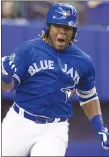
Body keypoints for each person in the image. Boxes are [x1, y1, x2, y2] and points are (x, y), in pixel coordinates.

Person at [2, 3, 109, 156]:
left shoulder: (83, 61)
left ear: (74, 32)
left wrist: (100, 128)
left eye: (67, 28)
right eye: (57, 26)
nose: (62, 32)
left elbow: (88, 97)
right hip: (19, 122)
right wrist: (5, 77)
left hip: (53, 129)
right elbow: (6, 87)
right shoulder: (27, 50)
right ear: (48, 28)